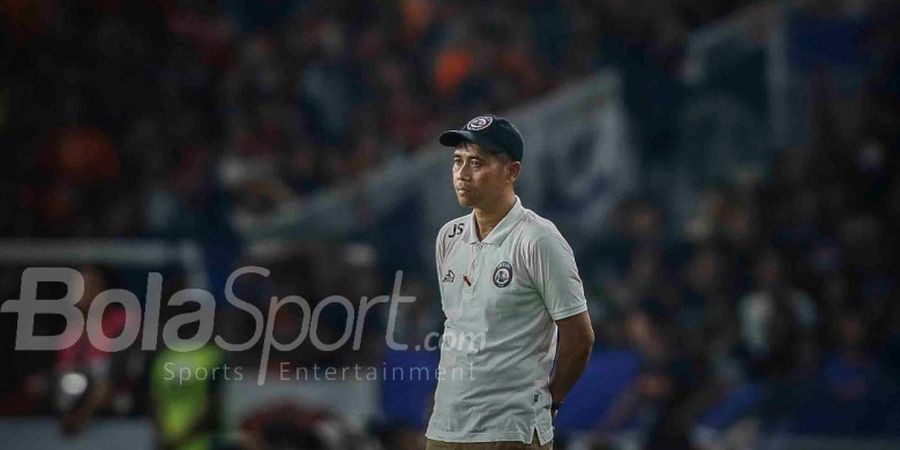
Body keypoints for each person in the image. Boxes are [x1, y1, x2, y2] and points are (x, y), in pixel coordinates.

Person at [425, 114, 595, 449]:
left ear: (512, 171)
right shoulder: (449, 236)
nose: (462, 173)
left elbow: (580, 337)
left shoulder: (538, 240)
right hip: (445, 428)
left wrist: (551, 401)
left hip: (509, 430)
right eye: (457, 161)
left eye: (477, 162)